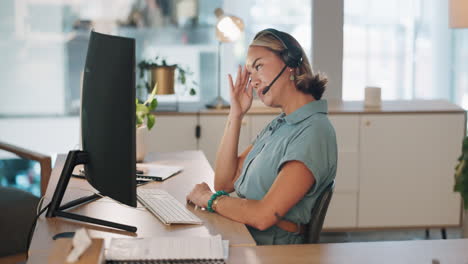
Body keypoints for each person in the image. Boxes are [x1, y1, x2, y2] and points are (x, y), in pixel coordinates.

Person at [186, 28, 337, 245]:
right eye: (250, 72)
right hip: (245, 238)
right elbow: (224, 182)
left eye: (258, 66)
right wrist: (235, 114)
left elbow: (264, 215)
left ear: (291, 62)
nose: (253, 81)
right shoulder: (280, 124)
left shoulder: (313, 132)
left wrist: (210, 200)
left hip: (271, 251)